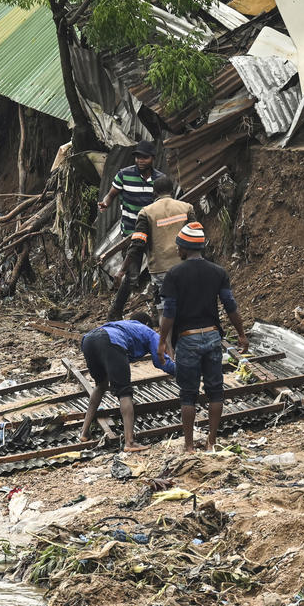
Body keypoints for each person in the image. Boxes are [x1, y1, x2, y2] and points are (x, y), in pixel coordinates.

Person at [158, 222, 248, 453]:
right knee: (215, 390)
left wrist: (162, 341)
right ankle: (212, 441)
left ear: (184, 248)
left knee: (188, 394)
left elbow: (169, 313)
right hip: (212, 337)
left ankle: (189, 446)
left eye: (178, 246)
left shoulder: (174, 274)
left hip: (187, 339)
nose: (177, 250)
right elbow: (230, 306)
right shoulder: (218, 272)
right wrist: (241, 333)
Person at [79, 312, 176, 453]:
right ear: (147, 324)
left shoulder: (123, 325)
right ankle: (130, 442)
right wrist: (182, 371)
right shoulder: (148, 331)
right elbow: (161, 361)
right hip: (111, 341)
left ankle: (84, 432)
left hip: (88, 340)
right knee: (124, 392)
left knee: (101, 385)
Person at [109, 175, 195, 320]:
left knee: (165, 309)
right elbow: (196, 236)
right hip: (185, 266)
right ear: (172, 191)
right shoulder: (186, 208)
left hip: (161, 268)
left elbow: (137, 245)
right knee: (188, 303)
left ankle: (166, 341)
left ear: (154, 193)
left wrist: (122, 270)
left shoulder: (146, 213)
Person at [97, 139, 164, 237]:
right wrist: (105, 203)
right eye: (138, 157)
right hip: (129, 235)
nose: (140, 161)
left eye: (145, 157)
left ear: (153, 158)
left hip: (152, 234)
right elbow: (111, 195)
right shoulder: (123, 175)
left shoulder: (161, 179)